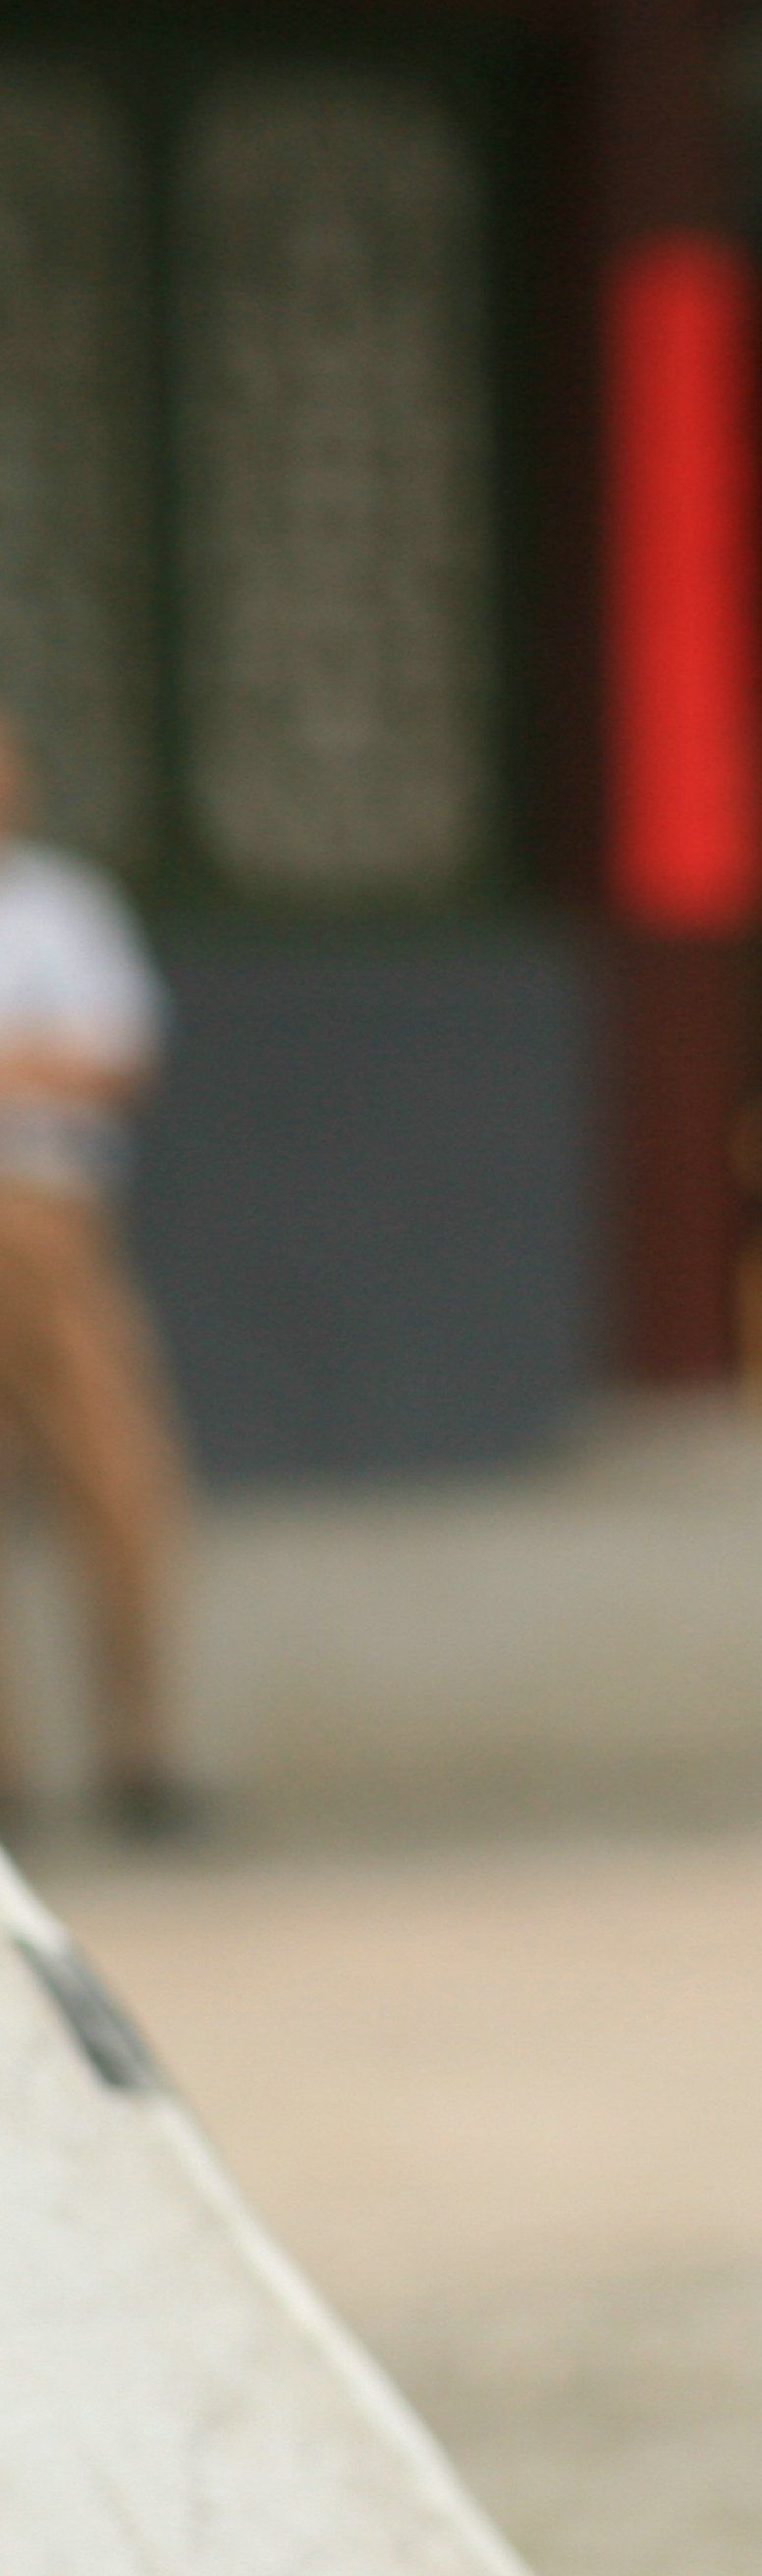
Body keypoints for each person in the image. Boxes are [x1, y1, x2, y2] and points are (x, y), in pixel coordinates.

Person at [0, 701, 193, 1839]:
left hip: (57, 1216)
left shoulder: (65, 907)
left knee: (122, 1484)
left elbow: (115, 1061)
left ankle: (140, 1751)